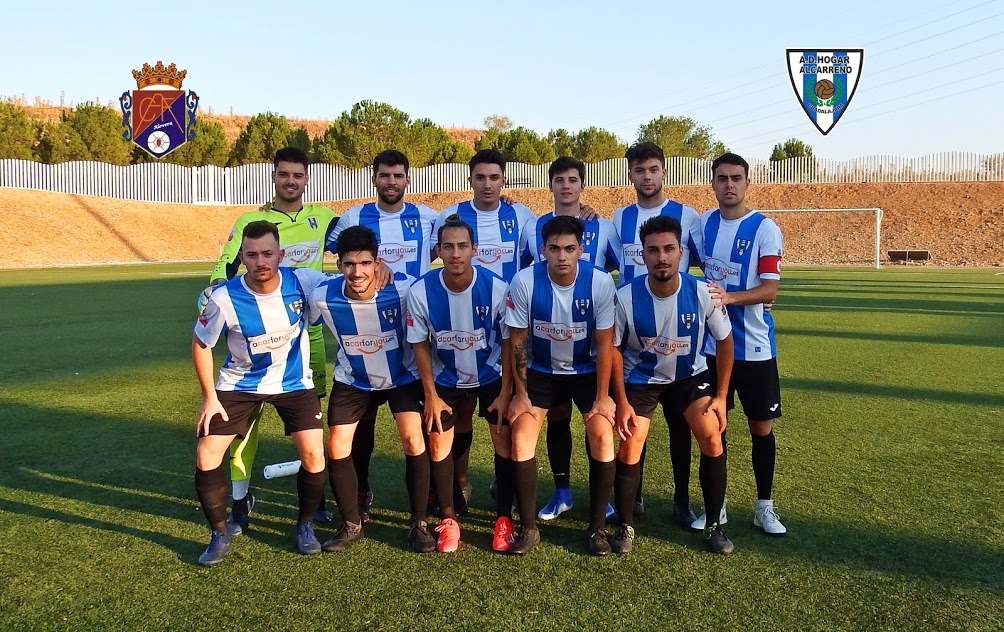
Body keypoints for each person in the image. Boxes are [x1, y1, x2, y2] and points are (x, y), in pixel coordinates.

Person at [202, 147, 339, 535]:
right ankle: (240, 498)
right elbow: (226, 267)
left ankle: (316, 498)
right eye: (283, 174)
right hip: (254, 332)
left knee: (309, 422)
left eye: (298, 174)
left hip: (305, 337)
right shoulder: (251, 221)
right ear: (274, 176)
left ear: (307, 178)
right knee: (245, 426)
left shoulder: (325, 218)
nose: (290, 181)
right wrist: (213, 292)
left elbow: (355, 244)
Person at [192, 220, 329, 566]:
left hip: (293, 383)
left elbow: (345, 286)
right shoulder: (224, 298)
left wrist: (382, 271)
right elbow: (201, 343)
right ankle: (219, 534)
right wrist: (210, 398)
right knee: (207, 454)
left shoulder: (304, 281)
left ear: (280, 254)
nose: (261, 261)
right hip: (239, 384)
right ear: (242, 257)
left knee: (314, 454)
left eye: (267, 253)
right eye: (252, 255)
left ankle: (305, 525)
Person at [307, 226, 440, 553]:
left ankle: (419, 524)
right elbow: (286, 281)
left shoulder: (403, 288)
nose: (358, 272)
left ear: (377, 263)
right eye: (350, 264)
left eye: (365, 263)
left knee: (413, 439)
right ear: (339, 264)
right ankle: (351, 524)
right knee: (337, 444)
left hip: (402, 377)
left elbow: (436, 295)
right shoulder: (322, 295)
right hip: (353, 379)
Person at [325, 149, 439, 522]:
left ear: (408, 179)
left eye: (398, 175)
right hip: (364, 327)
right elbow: (333, 250)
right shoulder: (353, 217)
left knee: (422, 424)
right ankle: (360, 491)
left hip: (412, 329)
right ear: (374, 178)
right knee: (363, 423)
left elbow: (463, 230)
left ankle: (434, 494)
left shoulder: (428, 217)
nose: (391, 182)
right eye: (385, 175)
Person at [611, 215, 735, 555]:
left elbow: (725, 341)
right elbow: (613, 349)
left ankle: (714, 526)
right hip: (641, 379)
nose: (661, 257)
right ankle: (625, 525)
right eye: (653, 250)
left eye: (669, 249)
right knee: (630, 443)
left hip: (689, 378)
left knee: (711, 434)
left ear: (681, 252)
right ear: (643, 256)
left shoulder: (702, 292)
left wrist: (721, 396)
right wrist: (621, 400)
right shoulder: (626, 297)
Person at [429, 149, 536, 513]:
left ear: (504, 179)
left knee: (504, 417)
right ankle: (459, 483)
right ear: (470, 179)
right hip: (458, 326)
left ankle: (505, 486)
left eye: (494, 177)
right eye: (480, 177)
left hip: (505, 328)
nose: (487, 184)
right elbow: (430, 259)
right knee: (459, 412)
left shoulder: (522, 215)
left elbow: (539, 257)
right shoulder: (452, 215)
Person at [504, 215, 619, 556]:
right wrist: (520, 395)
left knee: (602, 435)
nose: (562, 256)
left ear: (581, 249)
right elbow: (518, 341)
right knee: (521, 437)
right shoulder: (525, 281)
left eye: (570, 248)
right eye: (554, 249)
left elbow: (605, 345)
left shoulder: (600, 282)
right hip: (541, 371)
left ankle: (597, 529)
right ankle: (528, 528)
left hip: (586, 371)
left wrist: (603, 397)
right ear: (543, 250)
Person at [520, 156, 621, 521]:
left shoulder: (602, 225)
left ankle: (602, 498)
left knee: (597, 422)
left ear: (582, 184)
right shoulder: (533, 226)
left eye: (573, 179)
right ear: (550, 185)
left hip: (589, 351)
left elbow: (621, 269)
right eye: (559, 179)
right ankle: (561, 492)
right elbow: (522, 270)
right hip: (546, 349)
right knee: (558, 418)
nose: (566, 185)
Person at [610, 141, 705, 526]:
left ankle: (681, 500)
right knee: (636, 426)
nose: (646, 177)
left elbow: (707, 266)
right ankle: (633, 499)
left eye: (653, 169)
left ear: (664, 171)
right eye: (639, 170)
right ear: (630, 174)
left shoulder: (687, 216)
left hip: (679, 333)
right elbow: (606, 260)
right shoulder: (619, 217)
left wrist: (735, 297)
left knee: (681, 426)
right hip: (634, 337)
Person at [406, 215, 514, 552]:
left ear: (474, 249)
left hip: (491, 373)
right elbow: (419, 344)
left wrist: (507, 392)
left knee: (504, 439)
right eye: (448, 247)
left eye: (463, 246)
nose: (456, 253)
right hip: (445, 376)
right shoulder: (421, 291)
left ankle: (503, 519)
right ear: (438, 251)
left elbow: (509, 342)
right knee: (438, 441)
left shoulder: (496, 288)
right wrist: (430, 395)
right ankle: (449, 519)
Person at [694, 152, 787, 536]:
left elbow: (769, 289)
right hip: (712, 348)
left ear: (748, 182)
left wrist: (730, 298)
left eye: (736, 178)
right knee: (713, 428)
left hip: (755, 348)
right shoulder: (703, 224)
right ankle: (716, 506)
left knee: (760, 428)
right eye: (722, 178)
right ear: (713, 184)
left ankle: (764, 507)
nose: (729, 184)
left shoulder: (765, 228)